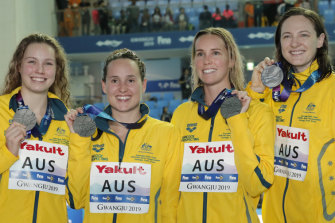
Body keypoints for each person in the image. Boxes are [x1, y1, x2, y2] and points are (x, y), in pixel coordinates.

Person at [171, 27, 275, 222]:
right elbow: (171, 185)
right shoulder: (181, 115)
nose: (206, 60)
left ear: (232, 60)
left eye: (216, 53)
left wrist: (236, 120)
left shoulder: (258, 113)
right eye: (200, 54)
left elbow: (257, 184)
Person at [65, 48, 181, 223]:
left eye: (131, 80)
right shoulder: (88, 135)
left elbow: (171, 203)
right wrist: (79, 140)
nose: (123, 88)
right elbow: (76, 200)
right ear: (104, 86)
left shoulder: (167, 134)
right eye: (114, 80)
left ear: (144, 84)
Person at [247, 7, 335, 223]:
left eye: (303, 35)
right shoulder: (271, 89)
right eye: (287, 36)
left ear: (320, 40)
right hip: (274, 215)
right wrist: (256, 92)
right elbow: (243, 139)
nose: (294, 43)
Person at [0, 33, 71, 222]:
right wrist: (8, 152)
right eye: (32, 61)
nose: (40, 70)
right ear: (19, 66)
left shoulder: (67, 120)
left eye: (48, 63)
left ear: (57, 70)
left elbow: (77, 197)